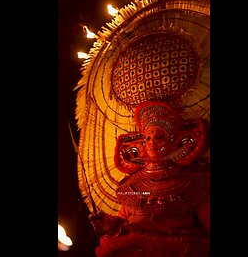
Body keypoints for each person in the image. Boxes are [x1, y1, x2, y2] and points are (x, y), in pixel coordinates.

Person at [89, 100, 210, 257]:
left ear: (173, 142)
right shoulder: (131, 186)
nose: (152, 142)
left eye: (159, 137)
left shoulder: (192, 182)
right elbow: (121, 224)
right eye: (147, 138)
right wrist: (108, 227)